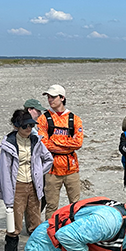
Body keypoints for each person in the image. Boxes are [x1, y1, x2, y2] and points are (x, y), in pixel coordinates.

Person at [0, 109, 53, 251]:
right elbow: (4, 172)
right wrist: (8, 197)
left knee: (35, 224)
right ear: (17, 126)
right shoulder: (9, 144)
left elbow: (48, 159)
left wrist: (39, 173)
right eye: (26, 126)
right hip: (16, 186)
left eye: (31, 125)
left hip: (33, 186)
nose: (29, 129)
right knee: (15, 227)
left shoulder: (36, 141)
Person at [37, 84, 84, 215]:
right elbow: (44, 144)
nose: (50, 100)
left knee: (75, 206)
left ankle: (74, 231)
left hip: (72, 169)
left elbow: (78, 143)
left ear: (62, 98)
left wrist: (55, 142)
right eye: (48, 97)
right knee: (51, 205)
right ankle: (49, 232)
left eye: (53, 97)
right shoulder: (43, 119)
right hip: (52, 169)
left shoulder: (74, 119)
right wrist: (67, 144)